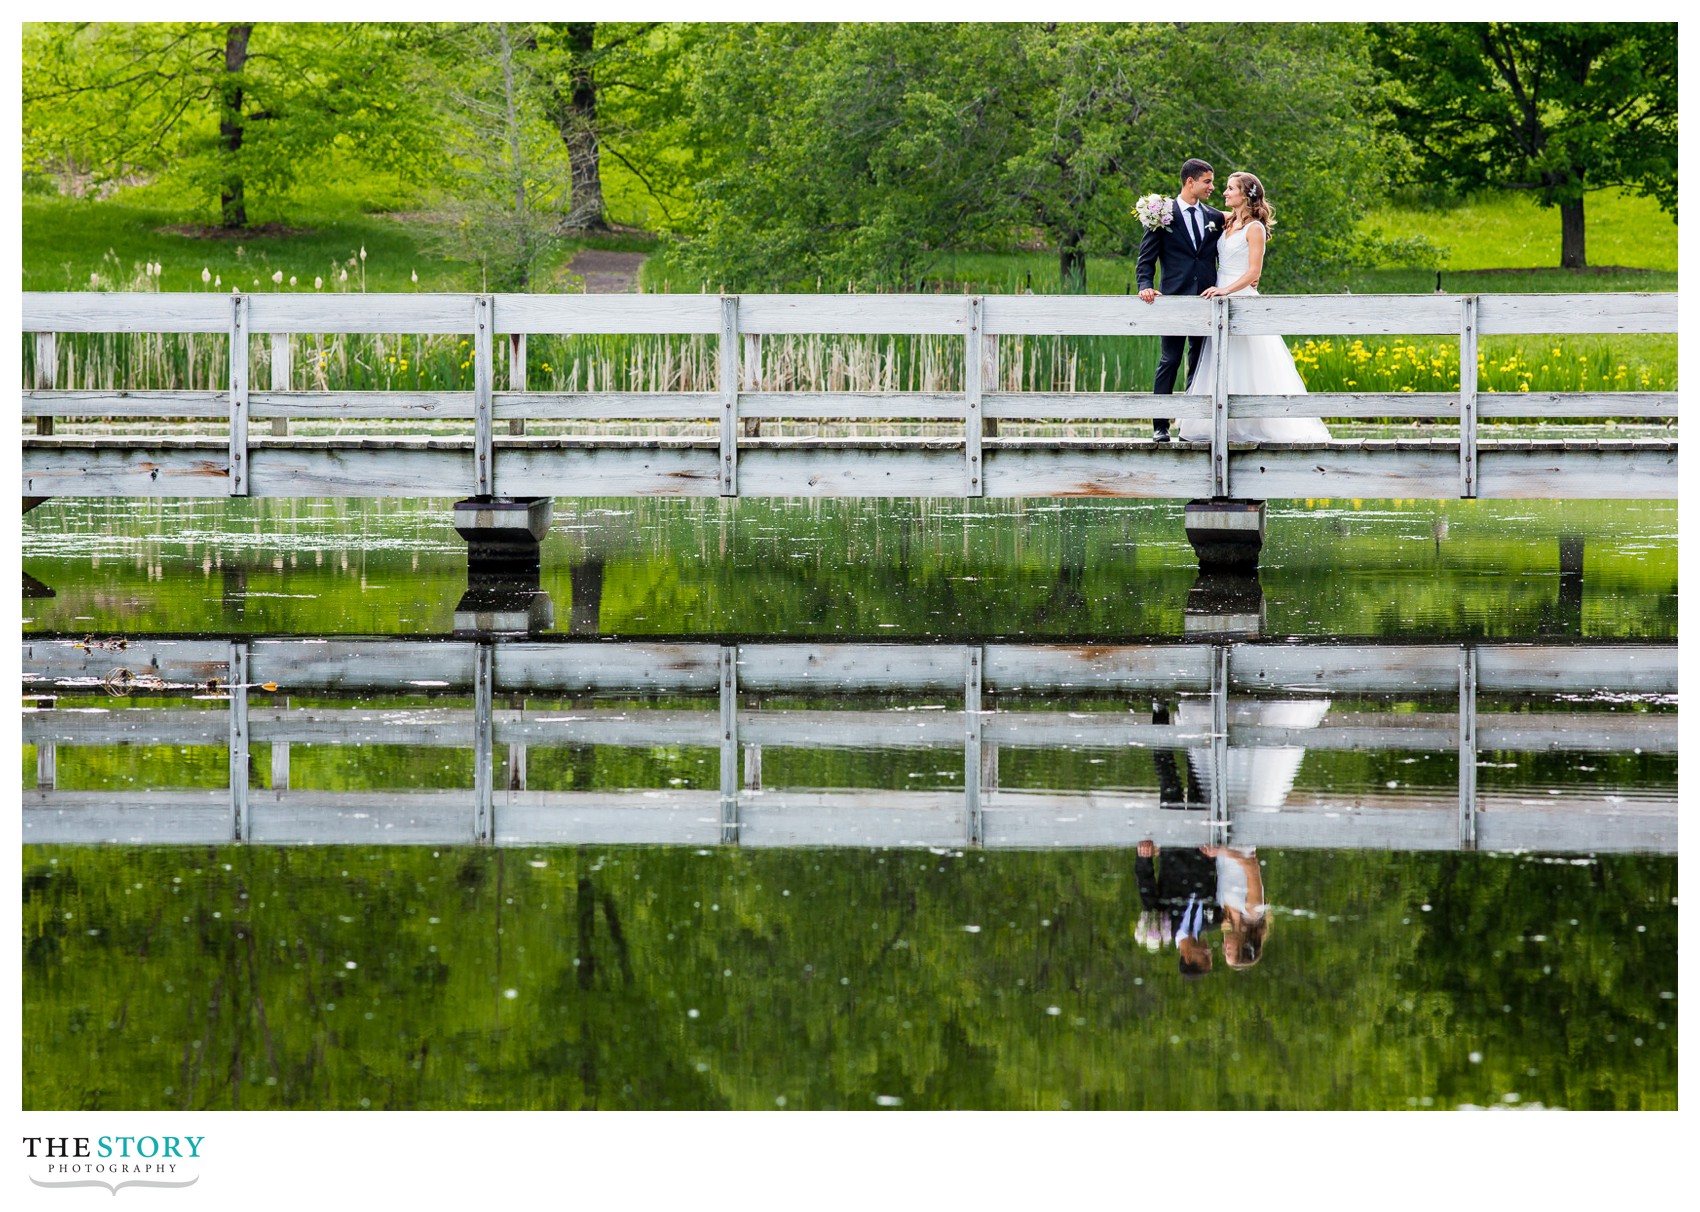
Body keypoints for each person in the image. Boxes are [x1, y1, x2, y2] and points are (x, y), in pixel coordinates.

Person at [1178, 171, 1330, 444]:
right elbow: (1198, 211)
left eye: (1230, 188)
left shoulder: (1255, 229)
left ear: (1246, 194)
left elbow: (1253, 272)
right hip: (1218, 297)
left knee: (1250, 361)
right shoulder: (1226, 222)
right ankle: (1224, 424)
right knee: (1221, 359)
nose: (1224, 193)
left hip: (1239, 295)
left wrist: (1226, 289)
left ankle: (1258, 423)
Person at [1136, 158, 1223, 443]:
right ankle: (1160, 426)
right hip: (1173, 300)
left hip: (1206, 300)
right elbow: (1146, 258)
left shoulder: (1214, 217)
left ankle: (1190, 425)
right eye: (1207, 181)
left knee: (1198, 362)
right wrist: (1145, 286)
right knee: (1169, 360)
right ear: (1190, 182)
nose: (1212, 187)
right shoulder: (1161, 213)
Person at [1135, 838, 1219, 977]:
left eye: (1205, 957)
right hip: (1204, 842)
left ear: (1188, 957)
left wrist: (1144, 858)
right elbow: (1219, 883)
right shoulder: (1213, 920)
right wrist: (1214, 856)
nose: (1209, 951)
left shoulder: (1163, 925)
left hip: (1172, 845)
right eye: (1210, 957)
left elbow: (1146, 886)